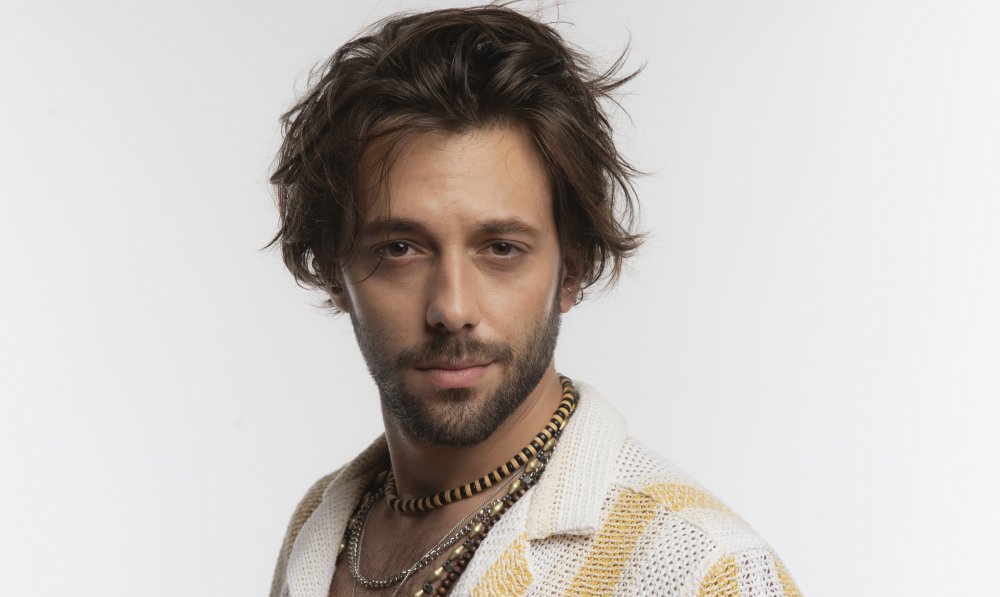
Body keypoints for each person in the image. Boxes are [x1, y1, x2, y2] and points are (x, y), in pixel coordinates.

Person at [267, 5, 800, 596]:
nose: (453, 308)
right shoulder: (321, 526)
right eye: (400, 249)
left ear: (572, 267)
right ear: (332, 269)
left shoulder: (701, 570)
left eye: (501, 248)